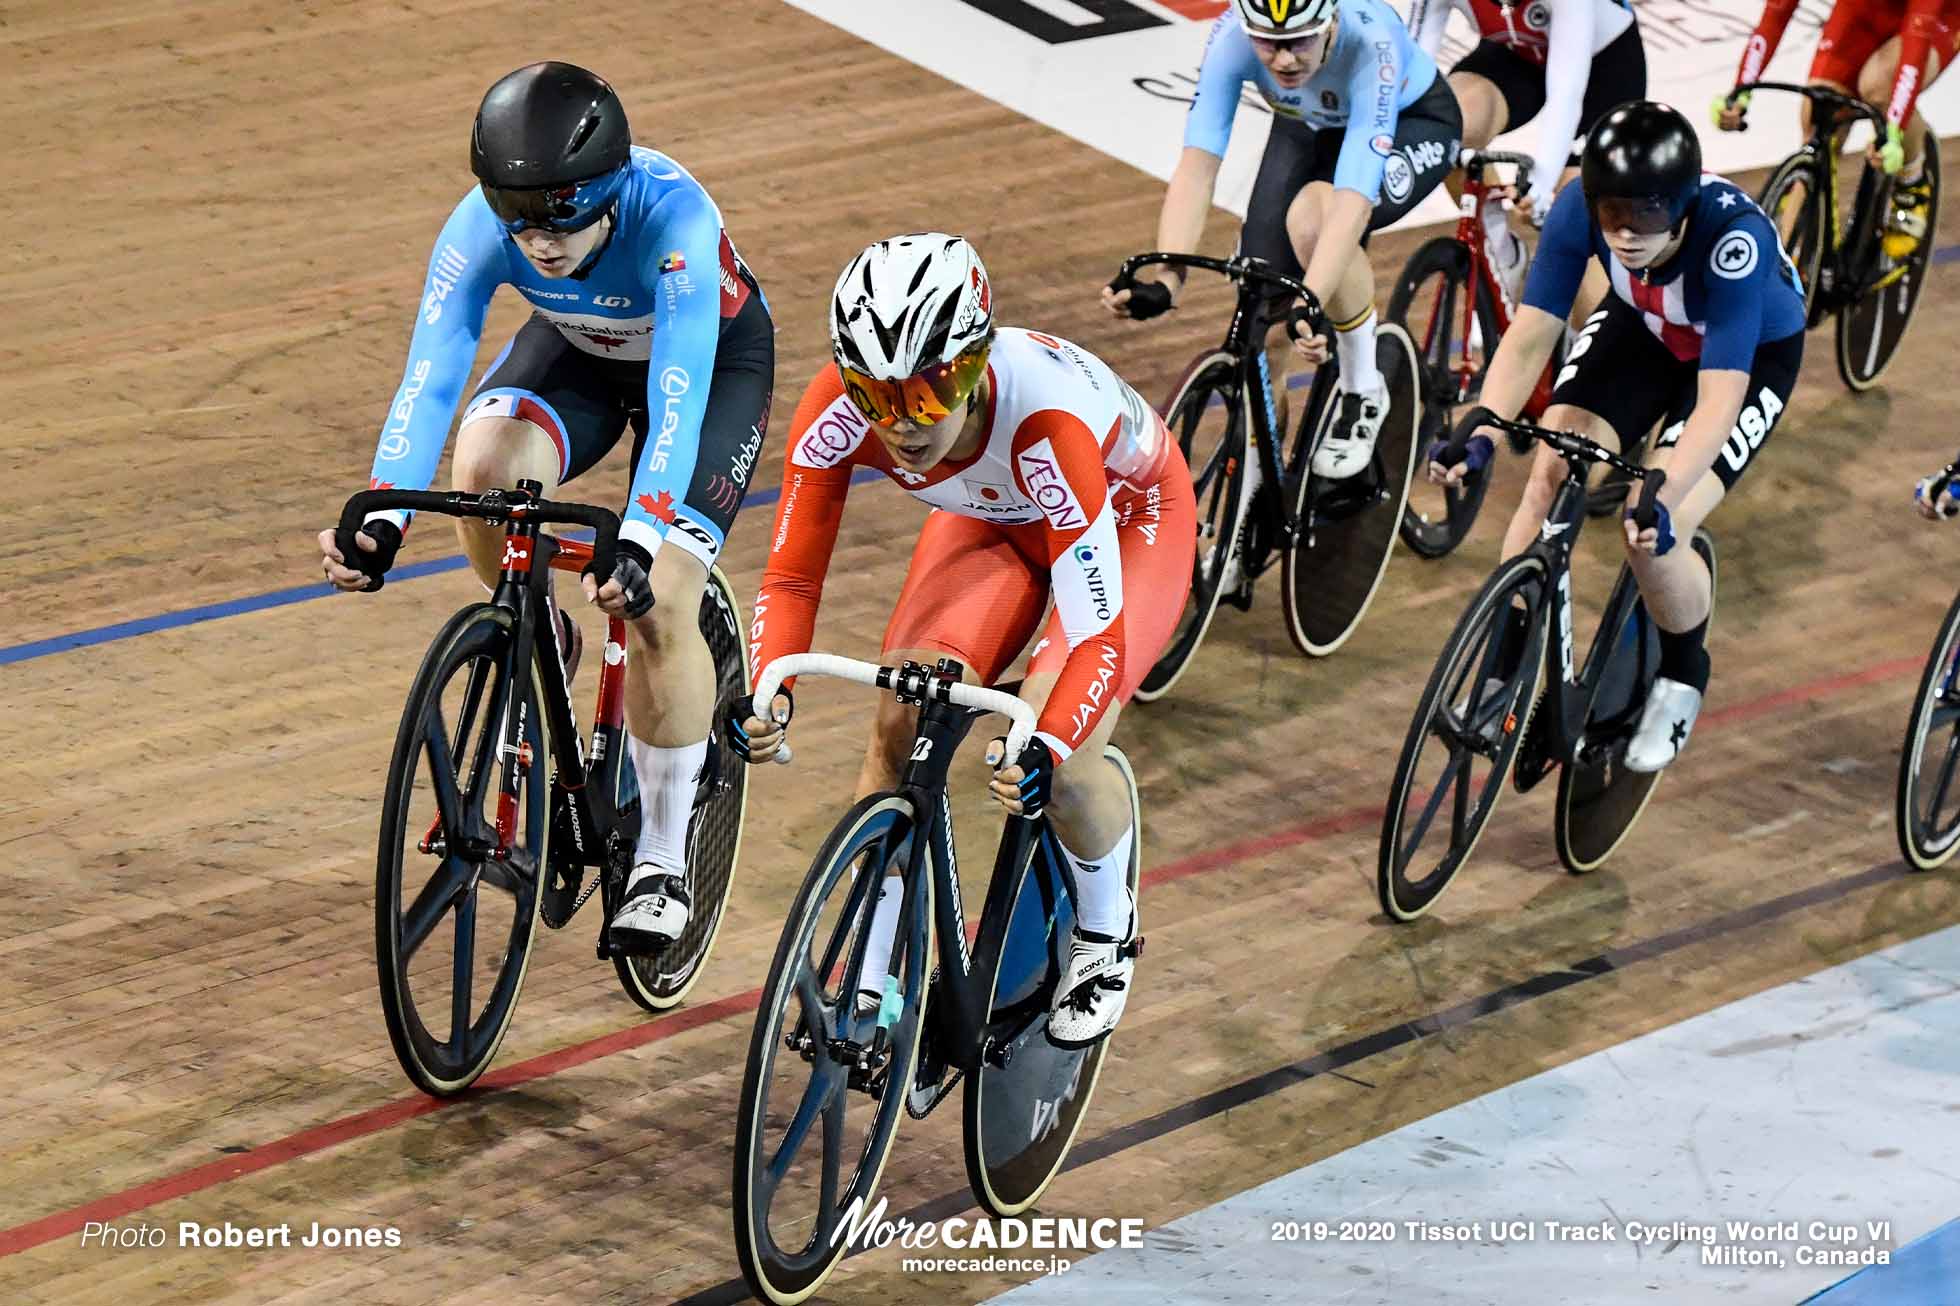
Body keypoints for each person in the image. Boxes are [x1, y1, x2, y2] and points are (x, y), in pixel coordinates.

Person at [316, 62, 774, 952]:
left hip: (709, 370)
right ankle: (543, 632)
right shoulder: (480, 228)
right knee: (485, 461)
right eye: (515, 213)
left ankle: (662, 858)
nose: (538, 237)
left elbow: (677, 394)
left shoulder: (675, 217)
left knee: (666, 596)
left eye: (560, 210)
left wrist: (642, 538)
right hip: (582, 353)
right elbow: (434, 368)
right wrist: (383, 520)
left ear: (608, 186)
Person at [735, 234, 1197, 1048]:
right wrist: (773, 684)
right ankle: (869, 975)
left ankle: (1105, 926)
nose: (903, 426)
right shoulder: (837, 412)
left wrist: (1047, 744)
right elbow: (791, 581)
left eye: (928, 394)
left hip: (1126, 519)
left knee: (1065, 748)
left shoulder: (1045, 422)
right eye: (878, 399)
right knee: (898, 716)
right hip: (999, 513)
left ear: (977, 365)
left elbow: (1095, 640)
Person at [1430, 102, 1807, 771]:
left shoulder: (1733, 244)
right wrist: (1483, 423)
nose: (1627, 235)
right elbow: (1533, 331)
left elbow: (1720, 396)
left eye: (1648, 218)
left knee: (1656, 533)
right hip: (1645, 327)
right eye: (1613, 217)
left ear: (1684, 206)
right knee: (1550, 469)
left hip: (1744, 357)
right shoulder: (1580, 203)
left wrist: (1662, 490)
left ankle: (1685, 671)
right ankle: (1506, 658)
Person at [1103, 0, 1461, 481]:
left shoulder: (1370, 43)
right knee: (1261, 315)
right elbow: (1197, 167)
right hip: (1307, 123)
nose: (1284, 60)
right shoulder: (1232, 35)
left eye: (1300, 41)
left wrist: (1309, 301)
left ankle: (1363, 387)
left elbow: (1352, 204)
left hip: (1410, 121)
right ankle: (1255, 496)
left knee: (1315, 219)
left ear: (1331, 22)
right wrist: (1168, 278)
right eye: (1269, 44)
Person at [1407, 0, 1646, 304]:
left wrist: (1540, 186)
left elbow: (1566, 94)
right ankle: (1502, 254)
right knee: (1445, 124)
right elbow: (1412, 74)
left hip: (1603, 62)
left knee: (1578, 205)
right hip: (1515, 53)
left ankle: (1586, 337)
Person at [1719, 0, 1960, 256]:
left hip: (1936, 17)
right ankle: (1792, 258)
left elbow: (1916, 43)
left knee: (1879, 88)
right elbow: (1776, 12)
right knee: (1817, 112)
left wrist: (1893, 131)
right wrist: (1741, 91)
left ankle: (1913, 180)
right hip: (1863, 10)